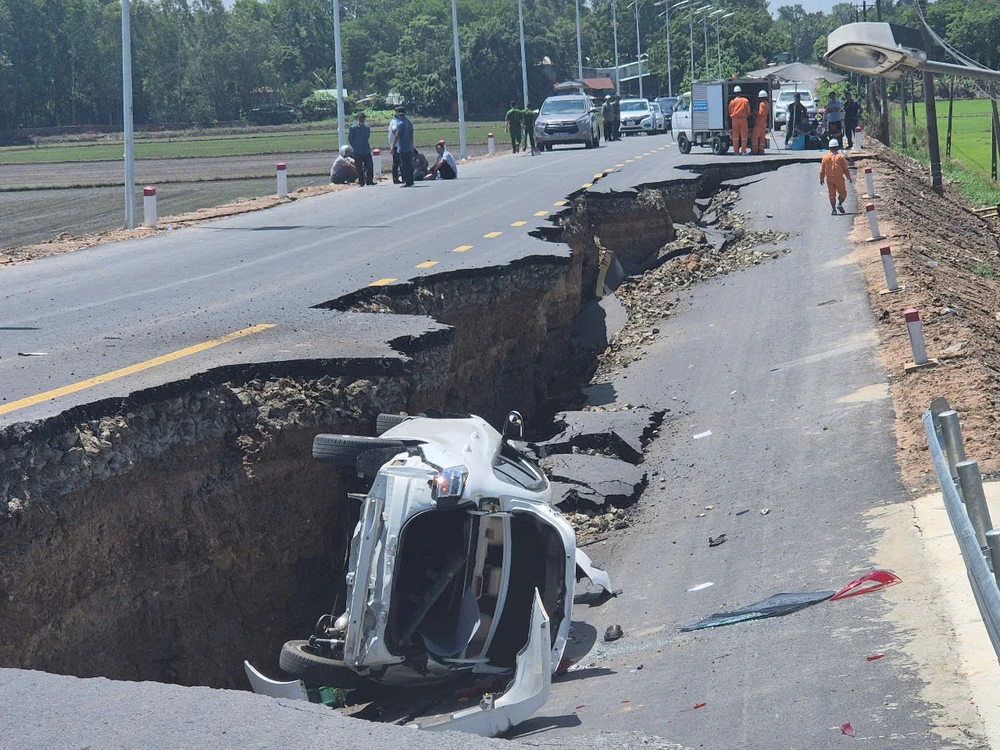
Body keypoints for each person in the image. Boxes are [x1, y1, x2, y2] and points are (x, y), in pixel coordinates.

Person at [820, 138, 851, 215]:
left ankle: (834, 210)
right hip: (839, 178)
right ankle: (839, 204)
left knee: (832, 195)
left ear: (829, 148)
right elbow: (845, 169)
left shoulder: (825, 157)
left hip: (829, 179)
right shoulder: (840, 157)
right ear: (837, 147)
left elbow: (822, 170)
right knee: (843, 193)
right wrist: (848, 177)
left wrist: (821, 179)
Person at [392, 107, 415, 187]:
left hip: (403, 147)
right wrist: (412, 145)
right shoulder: (409, 122)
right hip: (409, 146)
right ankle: (411, 181)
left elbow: (397, 136)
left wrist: (392, 146)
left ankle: (407, 181)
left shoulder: (400, 123)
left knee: (404, 165)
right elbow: (411, 135)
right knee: (409, 164)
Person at [348, 112, 373, 186]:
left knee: (369, 166)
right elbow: (350, 139)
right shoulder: (353, 128)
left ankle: (369, 181)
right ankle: (361, 181)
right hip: (357, 151)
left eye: (363, 118)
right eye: (361, 118)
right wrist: (355, 146)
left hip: (366, 150)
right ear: (358, 119)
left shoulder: (367, 127)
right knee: (359, 168)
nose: (362, 120)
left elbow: (368, 136)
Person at [728, 85, 751, 155]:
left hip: (734, 120)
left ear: (734, 93)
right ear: (741, 93)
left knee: (735, 137)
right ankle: (743, 151)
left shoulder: (732, 102)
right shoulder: (745, 101)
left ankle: (736, 151)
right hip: (743, 120)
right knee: (744, 136)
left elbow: (729, 111)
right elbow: (748, 111)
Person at [751, 90, 770, 155]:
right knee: (762, 138)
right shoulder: (767, 104)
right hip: (764, 123)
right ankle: (761, 150)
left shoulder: (761, 104)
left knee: (755, 138)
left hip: (759, 123)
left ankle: (754, 151)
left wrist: (754, 113)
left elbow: (760, 113)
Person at [388, 109, 402, 183]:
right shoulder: (395, 121)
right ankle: (395, 178)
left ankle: (397, 178)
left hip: (396, 144)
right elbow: (394, 130)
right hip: (396, 144)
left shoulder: (395, 121)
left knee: (398, 162)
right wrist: (398, 137)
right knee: (397, 162)